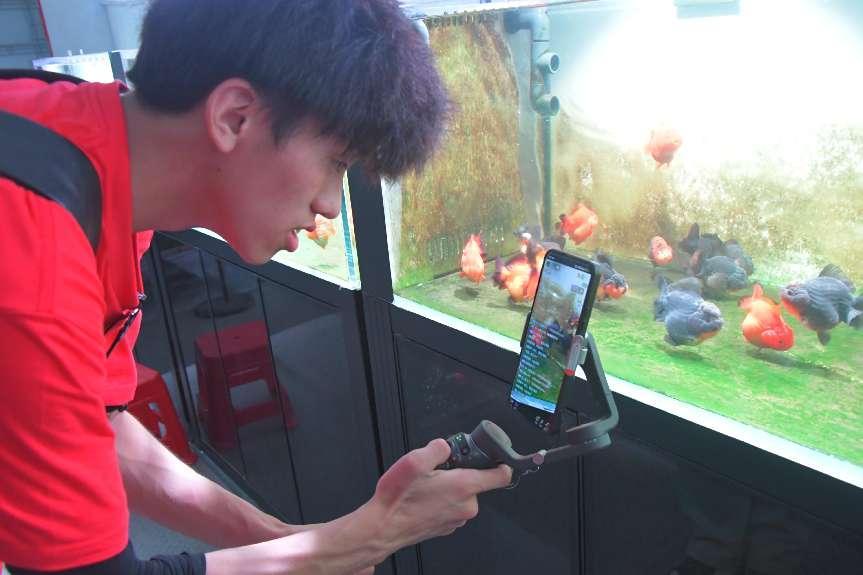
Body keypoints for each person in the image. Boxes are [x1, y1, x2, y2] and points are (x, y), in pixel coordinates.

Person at [0, 1, 512, 573]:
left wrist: (283, 538)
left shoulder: (91, 153)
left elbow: (102, 420)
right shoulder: (31, 248)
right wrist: (354, 544)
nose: (329, 205)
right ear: (234, 117)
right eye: (337, 162)